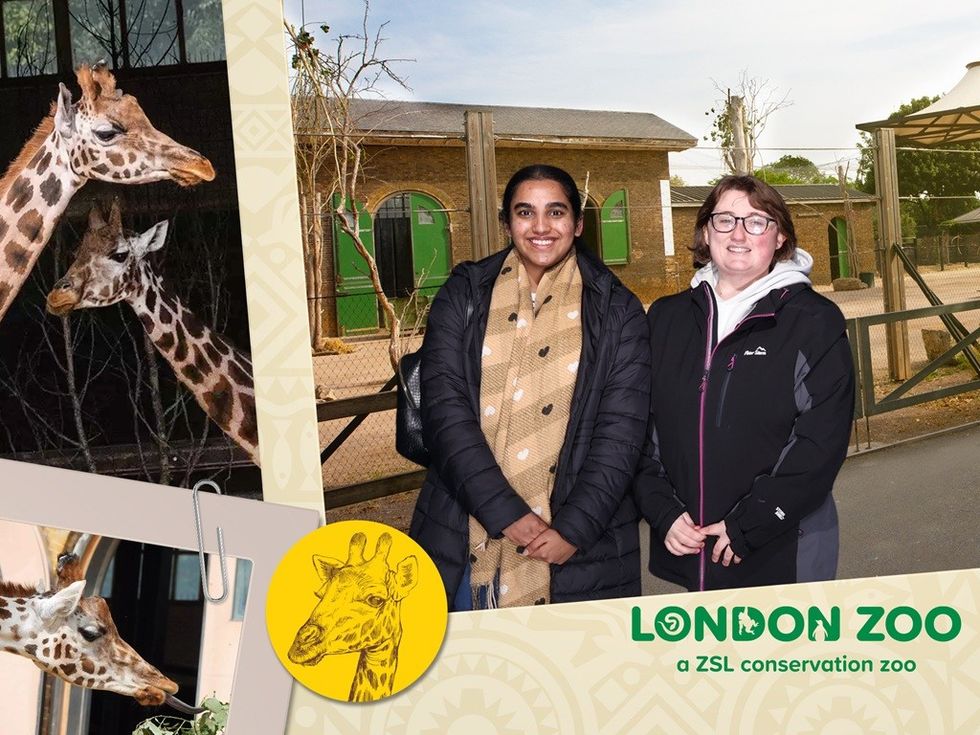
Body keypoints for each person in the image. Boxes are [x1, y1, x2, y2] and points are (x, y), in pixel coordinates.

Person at [409, 164, 650, 609]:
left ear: (577, 225)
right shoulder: (463, 294)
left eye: (555, 212)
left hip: (581, 546)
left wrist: (573, 530)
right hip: (464, 529)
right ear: (507, 223)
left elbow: (622, 431)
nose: (541, 227)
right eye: (525, 212)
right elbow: (444, 411)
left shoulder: (618, 310)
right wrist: (506, 513)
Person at [635, 175, 854, 591]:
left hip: (780, 550)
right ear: (705, 231)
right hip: (690, 545)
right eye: (725, 220)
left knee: (777, 658)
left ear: (781, 237)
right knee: (706, 657)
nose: (738, 233)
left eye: (757, 221)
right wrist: (661, 511)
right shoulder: (666, 318)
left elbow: (820, 442)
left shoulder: (813, 321)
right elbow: (638, 428)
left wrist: (749, 524)